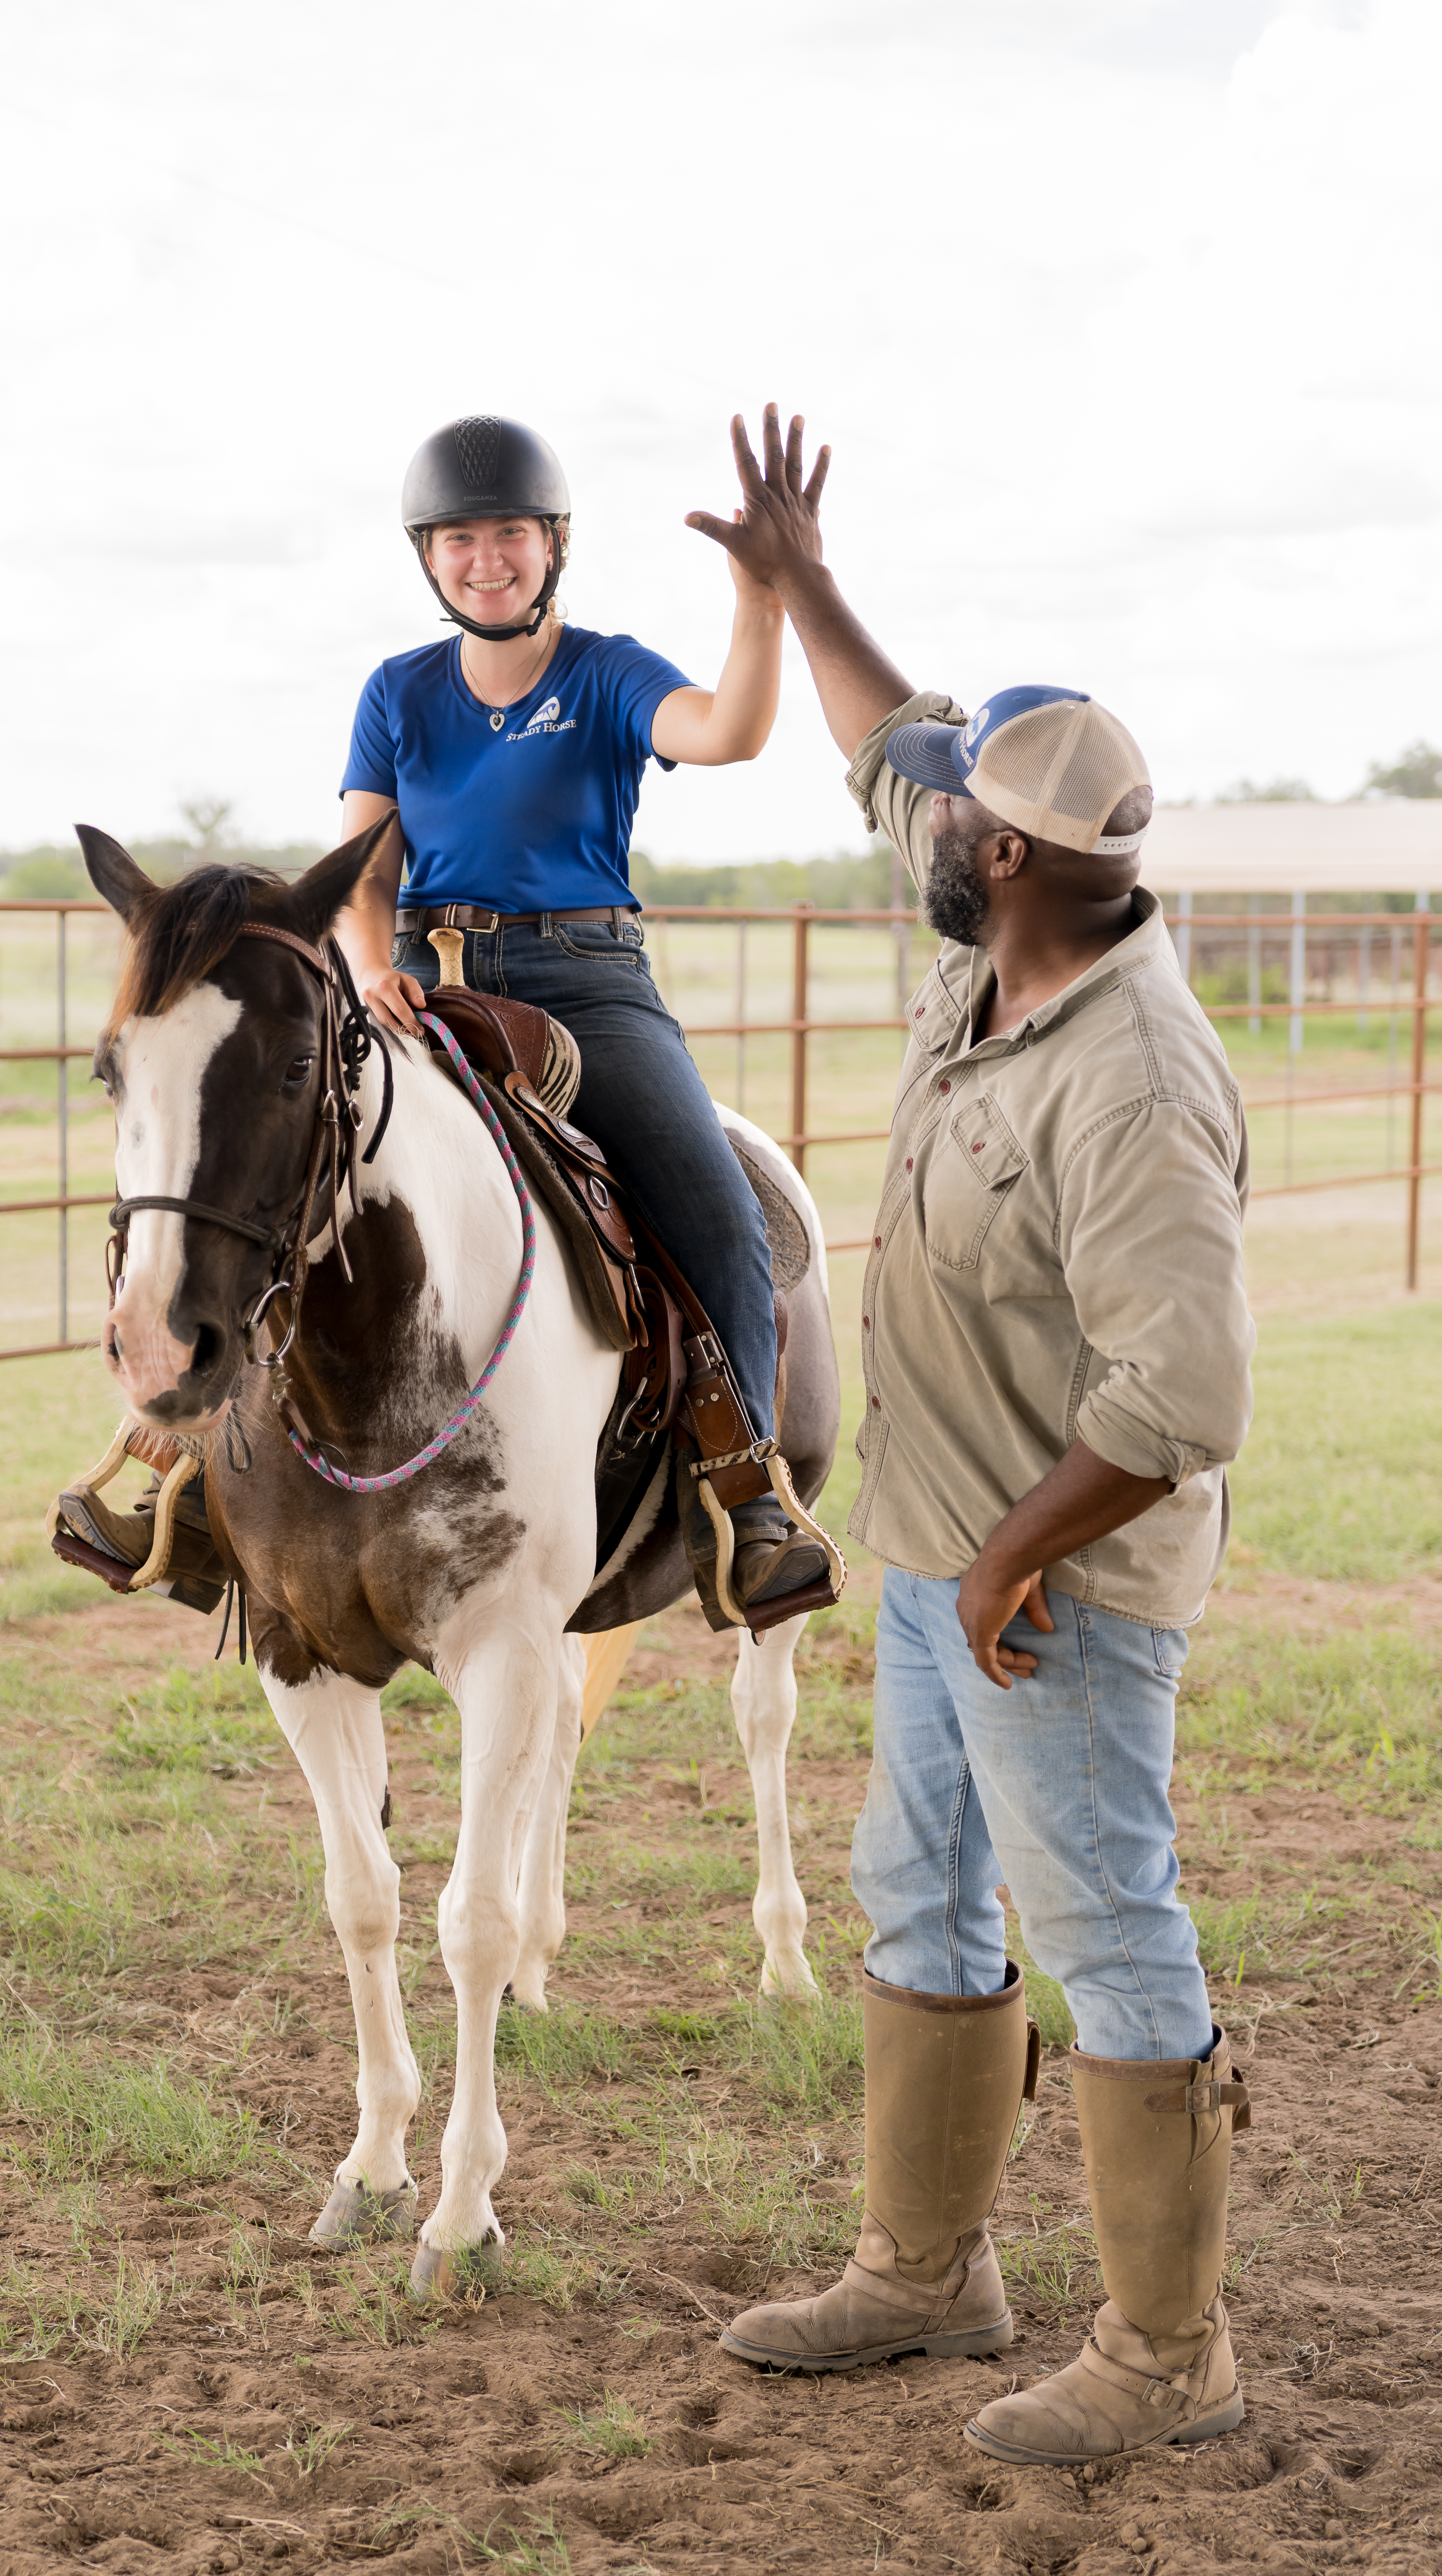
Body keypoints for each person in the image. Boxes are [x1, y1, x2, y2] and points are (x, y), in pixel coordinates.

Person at [697, 411, 1257, 2465]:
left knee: (1102, 1914)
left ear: (1006, 859)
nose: (912, 826)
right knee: (912, 1886)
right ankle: (927, 2269)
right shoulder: (1005, 944)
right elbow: (891, 740)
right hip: (941, 1556)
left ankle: (1168, 2352)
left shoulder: (1131, 1085)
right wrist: (797, 577)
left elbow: (1175, 1399)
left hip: (1052, 1593)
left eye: (948, 823)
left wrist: (1013, 1558)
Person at [332, 412, 829, 1613]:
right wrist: (363, 969)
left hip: (583, 983)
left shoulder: (605, 673)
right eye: (456, 538)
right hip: (419, 982)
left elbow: (727, 732)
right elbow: (361, 872)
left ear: (551, 543)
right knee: (266, 1156)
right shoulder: (395, 692)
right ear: (426, 556)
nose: (482, 557)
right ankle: (186, 1461)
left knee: (714, 1206)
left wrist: (758, 600)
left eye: (506, 533)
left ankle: (743, 1485)